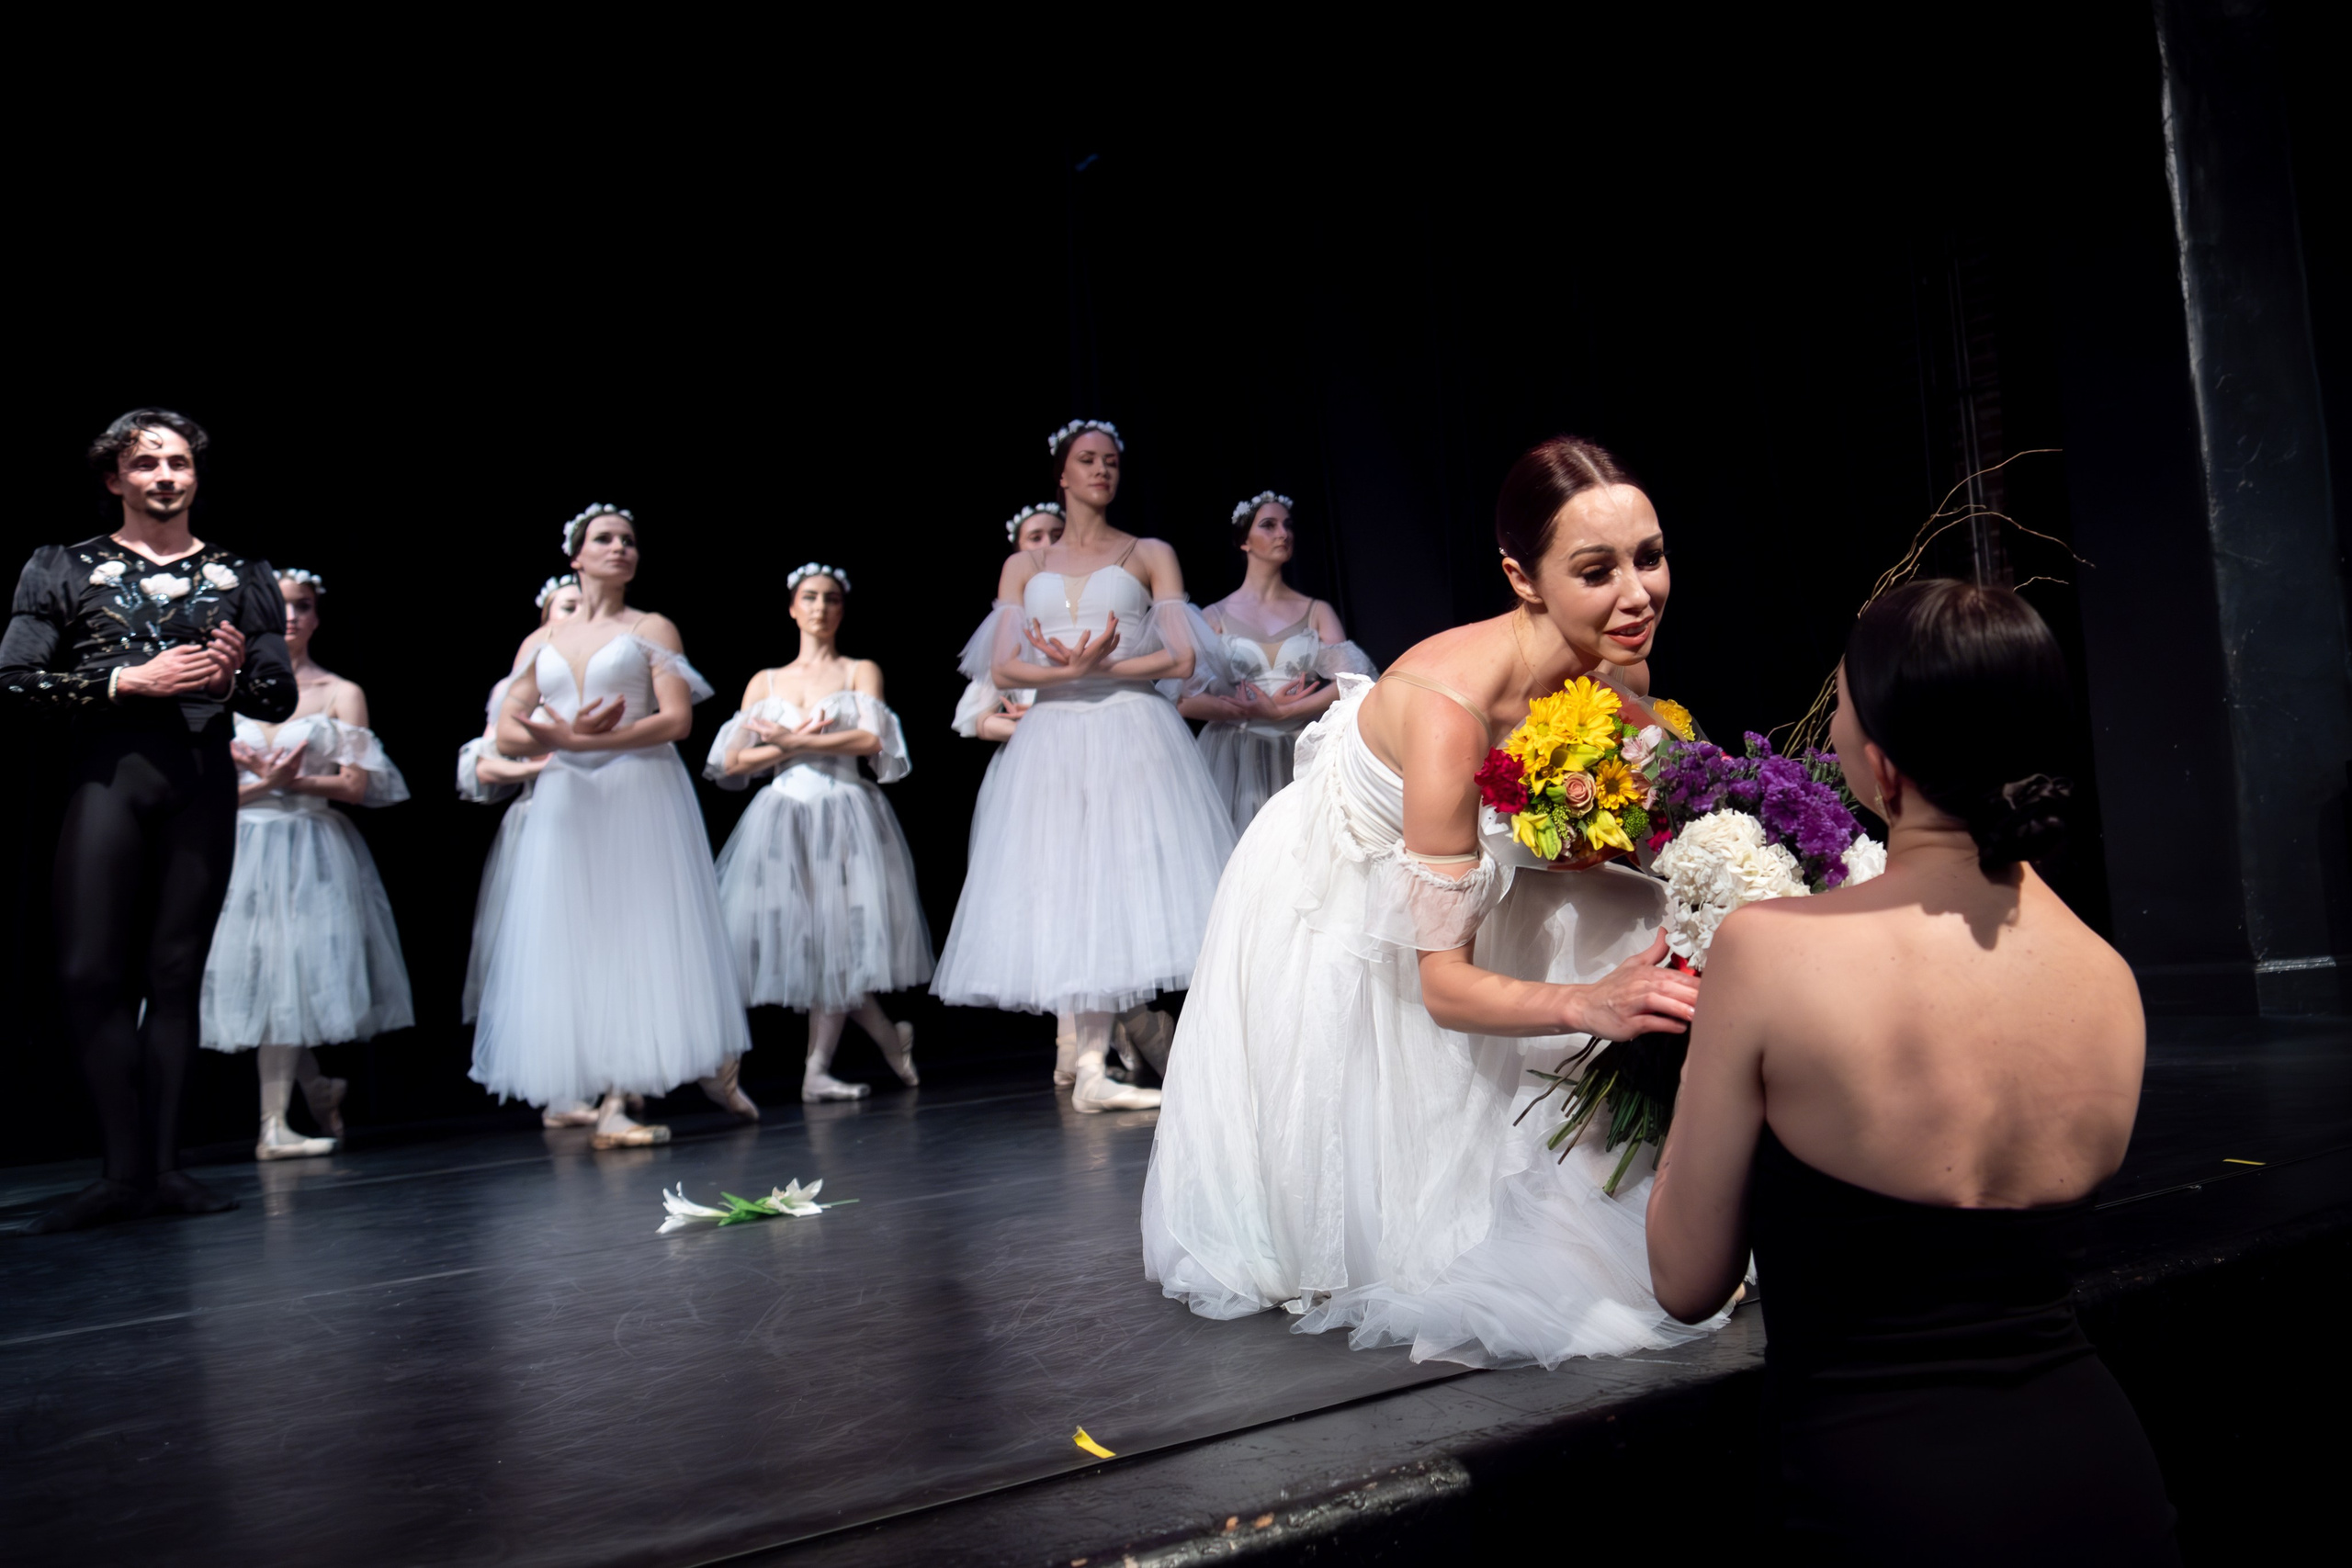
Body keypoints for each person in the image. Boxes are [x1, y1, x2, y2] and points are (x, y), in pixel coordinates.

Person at [1143, 434, 1718, 1368]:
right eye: (1595, 570)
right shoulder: (1450, 713)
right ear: (1521, 578)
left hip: (1483, 877)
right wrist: (1587, 1002)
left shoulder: (1619, 670)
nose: (1637, 593)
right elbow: (1443, 984)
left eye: (1648, 557)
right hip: (1342, 895)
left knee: (1640, 909)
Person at [1645, 580, 2178, 1563]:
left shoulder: (1766, 953)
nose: (1833, 720)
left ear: (1883, 770)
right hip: (2104, 1493)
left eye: (1840, 702)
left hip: (1876, 1505)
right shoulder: (2112, 981)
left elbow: (1685, 1279)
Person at [0, 410, 295, 1230]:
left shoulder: (242, 573)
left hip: (199, 783)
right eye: (146, 464)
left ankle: (165, 1170)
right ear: (114, 479)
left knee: (174, 977)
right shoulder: (64, 566)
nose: (165, 475)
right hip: (108, 780)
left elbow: (278, 692)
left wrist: (232, 682)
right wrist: (132, 681)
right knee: (89, 975)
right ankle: (118, 1172)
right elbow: (17, 679)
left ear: (195, 477)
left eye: (179, 463)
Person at [932, 421, 1237, 1111]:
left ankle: (1165, 1054)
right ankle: (1094, 1064)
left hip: (1131, 725)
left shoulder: (1149, 552)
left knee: (1131, 880)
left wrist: (1104, 664)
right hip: (1057, 736)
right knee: (1073, 887)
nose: (1102, 470)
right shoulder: (1026, 566)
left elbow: (1183, 658)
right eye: (1087, 460)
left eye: (1111, 462)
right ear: (1061, 475)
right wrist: (1064, 670)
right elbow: (1003, 662)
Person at [469, 506, 754, 1147]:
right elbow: (509, 724)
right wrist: (559, 738)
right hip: (569, 793)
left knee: (635, 931)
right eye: (605, 539)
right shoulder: (539, 641)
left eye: (628, 540)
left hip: (636, 783)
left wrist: (592, 737)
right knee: (578, 932)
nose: (621, 548)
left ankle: (622, 1097)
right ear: (577, 556)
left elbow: (676, 718)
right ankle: (594, 1084)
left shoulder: (652, 627)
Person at [198, 569, 413, 1159]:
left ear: (317, 617)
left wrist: (294, 780)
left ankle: (274, 1127)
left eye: (304, 605)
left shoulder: (340, 692)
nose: (291, 615)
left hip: (312, 848)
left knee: (291, 972)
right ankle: (314, 1087)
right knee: (267, 976)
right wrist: (268, 783)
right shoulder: (223, 688)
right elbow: (203, 793)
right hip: (244, 846)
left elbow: (357, 785)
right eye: (280, 605)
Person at [708, 563, 931, 1101]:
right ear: (792, 607)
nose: (820, 607)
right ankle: (886, 1038)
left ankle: (817, 1069)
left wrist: (786, 738)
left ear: (841, 609)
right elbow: (734, 760)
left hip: (844, 813)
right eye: (810, 597)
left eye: (831, 599)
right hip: (783, 814)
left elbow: (871, 741)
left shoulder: (859, 670)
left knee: (839, 938)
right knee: (805, 940)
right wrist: (788, 744)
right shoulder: (766, 680)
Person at [457, 575, 605, 1128]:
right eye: (566, 607)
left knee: (597, 948)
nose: (576, 615)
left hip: (596, 819)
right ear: (546, 614)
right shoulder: (522, 681)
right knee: (548, 950)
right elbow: (482, 761)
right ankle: (558, 1089)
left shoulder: (601, 674)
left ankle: (602, 1073)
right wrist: (549, 761)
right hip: (539, 821)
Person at [1179, 491, 1375, 833]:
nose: (1283, 533)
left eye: (1287, 525)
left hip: (1300, 744)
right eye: (1269, 526)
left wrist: (1284, 712)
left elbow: (1354, 682)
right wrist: (1247, 710)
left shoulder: (1316, 611)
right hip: (1234, 754)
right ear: (1244, 541)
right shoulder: (1214, 616)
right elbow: (1183, 699)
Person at [953, 504, 1062, 743]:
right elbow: (982, 719)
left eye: (1059, 535)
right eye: (1036, 538)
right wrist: (1036, 726)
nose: (1049, 544)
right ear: (1018, 552)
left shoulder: (1103, 604)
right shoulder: (1013, 627)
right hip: (1040, 751)